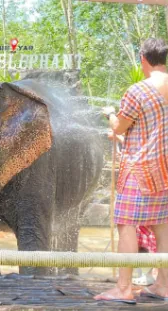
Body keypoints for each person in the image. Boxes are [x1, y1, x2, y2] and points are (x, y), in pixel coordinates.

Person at [94, 38, 168, 304]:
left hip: (139, 171)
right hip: (165, 171)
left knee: (126, 225)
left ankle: (123, 288)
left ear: (143, 58)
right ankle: (163, 285)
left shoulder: (137, 91)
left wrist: (110, 114)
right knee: (162, 226)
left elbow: (119, 127)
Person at [108, 131, 158, 286]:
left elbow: (142, 150)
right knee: (147, 235)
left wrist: (112, 120)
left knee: (146, 235)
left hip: (145, 185)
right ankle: (152, 276)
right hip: (153, 184)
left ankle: (148, 275)